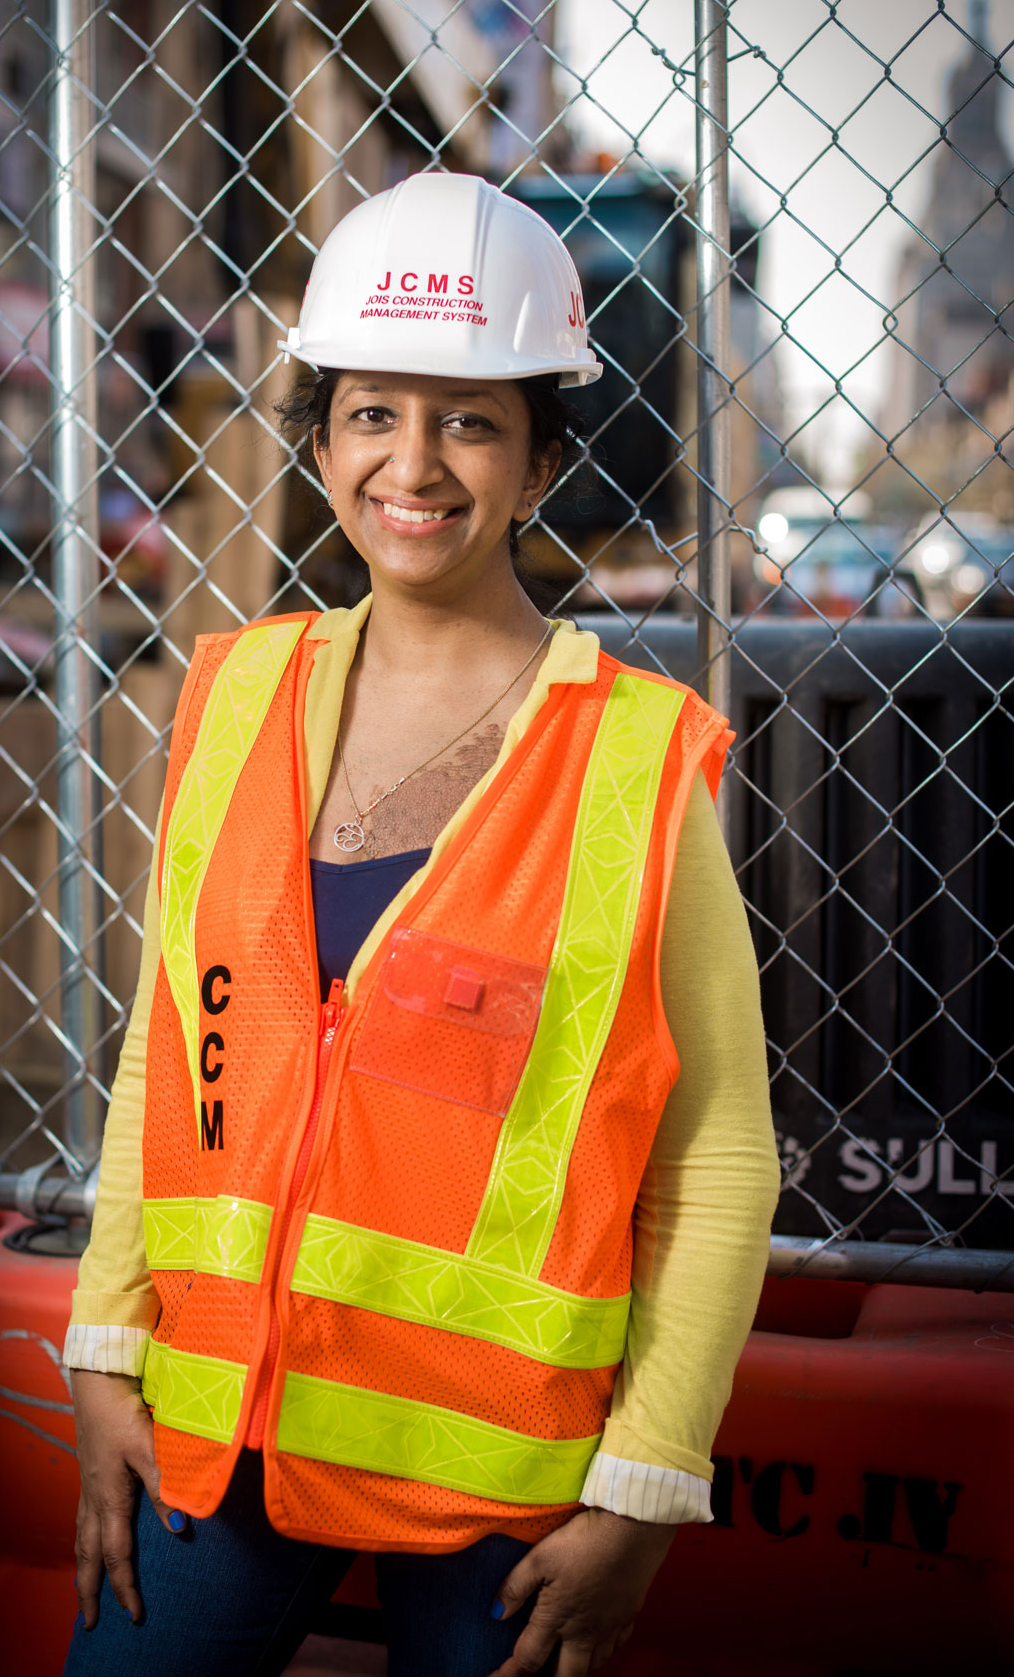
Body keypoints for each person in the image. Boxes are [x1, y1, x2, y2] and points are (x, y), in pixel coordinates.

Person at [61, 173, 779, 1677]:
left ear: (537, 465)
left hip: (505, 1485)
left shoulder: (635, 760)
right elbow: (173, 1044)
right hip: (224, 1423)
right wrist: (103, 1340)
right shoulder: (237, 694)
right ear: (319, 441)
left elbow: (716, 1152)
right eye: (374, 411)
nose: (417, 462)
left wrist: (645, 1487)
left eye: (470, 420)